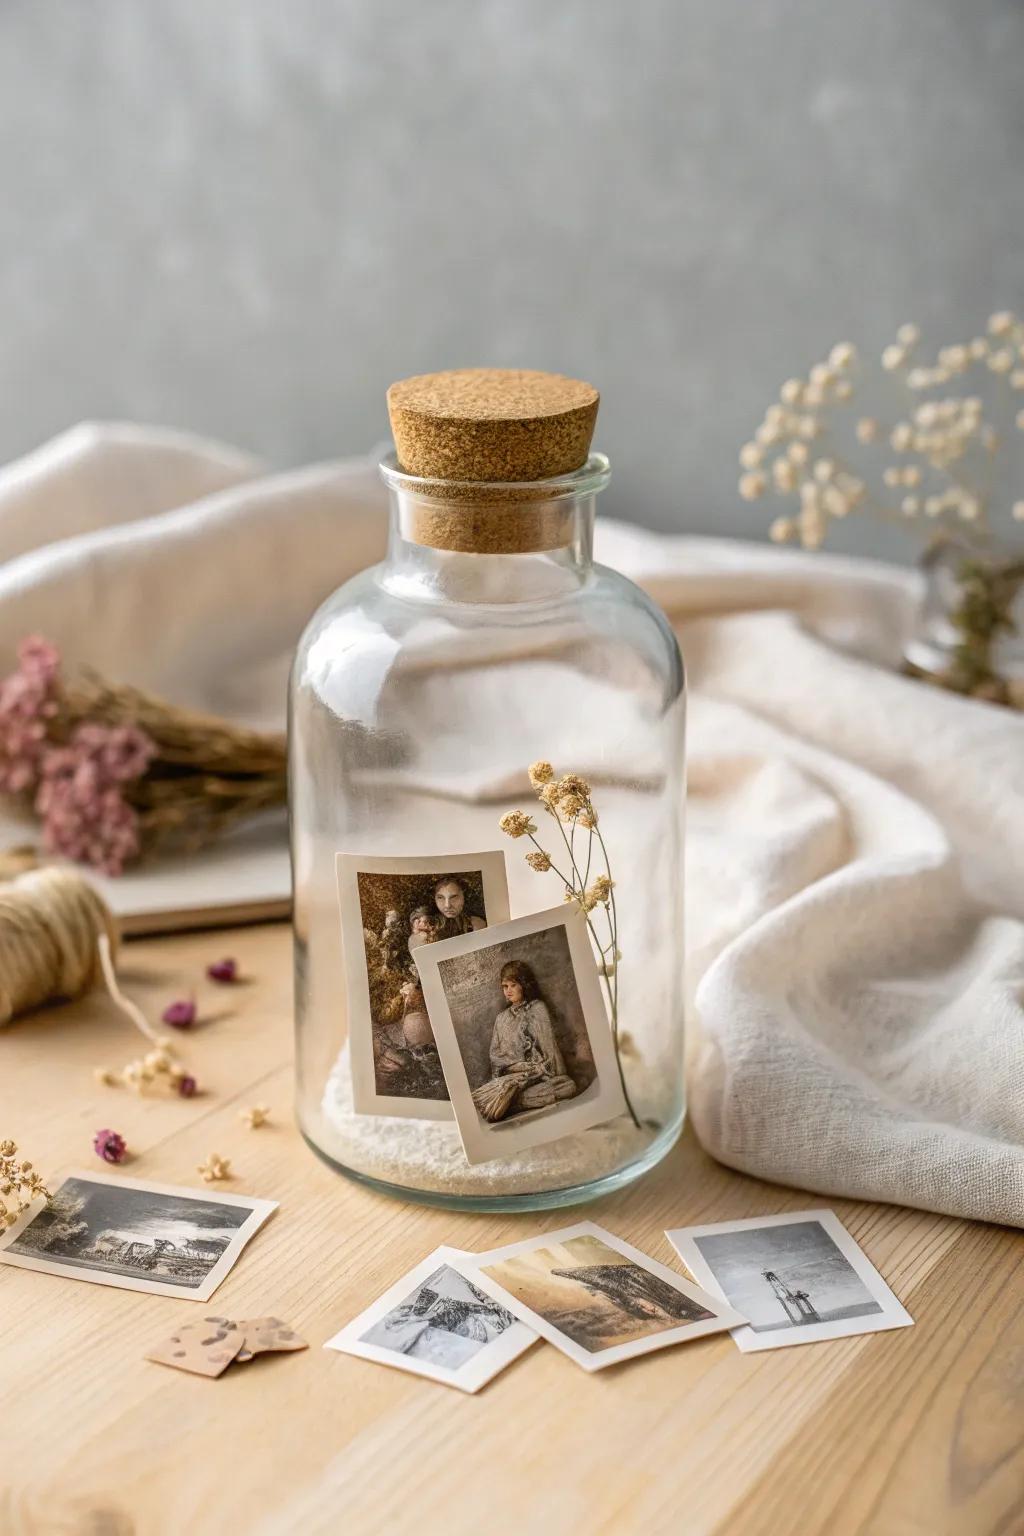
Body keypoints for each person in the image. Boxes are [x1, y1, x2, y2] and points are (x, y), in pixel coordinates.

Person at [472, 960, 578, 1122]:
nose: (508, 991)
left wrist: (537, 1071)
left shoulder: (538, 1008)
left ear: (524, 985)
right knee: (506, 1090)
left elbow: (550, 1051)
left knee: (568, 1086)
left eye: (513, 985)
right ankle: (511, 1101)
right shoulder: (501, 1019)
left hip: (538, 1076)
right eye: (505, 986)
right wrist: (517, 1066)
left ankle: (513, 1103)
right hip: (510, 1078)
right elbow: (495, 1057)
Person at [433, 877, 485, 941]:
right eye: (440, 897)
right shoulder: (428, 927)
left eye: (454, 897)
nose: (447, 905)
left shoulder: (477, 924)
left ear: (464, 897)